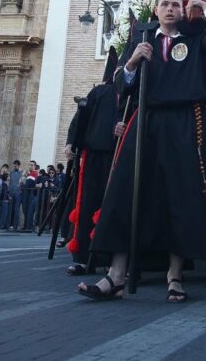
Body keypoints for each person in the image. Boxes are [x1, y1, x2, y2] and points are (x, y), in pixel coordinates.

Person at [81, 0, 206, 303]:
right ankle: (116, 275)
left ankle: (174, 274)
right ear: (156, 9)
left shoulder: (194, 41)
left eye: (176, 5)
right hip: (147, 121)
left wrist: (205, 8)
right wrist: (133, 62)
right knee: (127, 192)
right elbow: (122, 84)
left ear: (182, 10)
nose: (170, 9)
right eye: (165, 4)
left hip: (185, 124)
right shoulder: (142, 39)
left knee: (181, 196)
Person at [66, 48, 121, 275]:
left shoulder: (133, 94)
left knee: (111, 207)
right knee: (87, 204)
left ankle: (110, 259)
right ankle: (82, 257)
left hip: (118, 157)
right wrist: (71, 143)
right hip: (93, 156)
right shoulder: (98, 92)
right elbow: (81, 118)